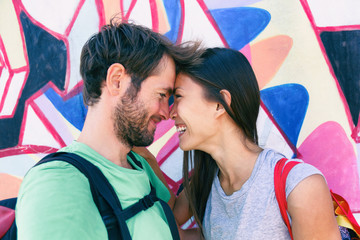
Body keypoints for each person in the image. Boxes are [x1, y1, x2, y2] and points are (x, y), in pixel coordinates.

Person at [15, 19, 201, 239]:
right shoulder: (57, 184)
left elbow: (171, 228)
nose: (166, 112)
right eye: (161, 95)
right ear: (116, 81)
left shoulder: (138, 163)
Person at [169, 47, 341, 239]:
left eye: (178, 97)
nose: (171, 112)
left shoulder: (300, 185)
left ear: (220, 104)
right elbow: (169, 225)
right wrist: (143, 159)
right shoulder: (205, 182)